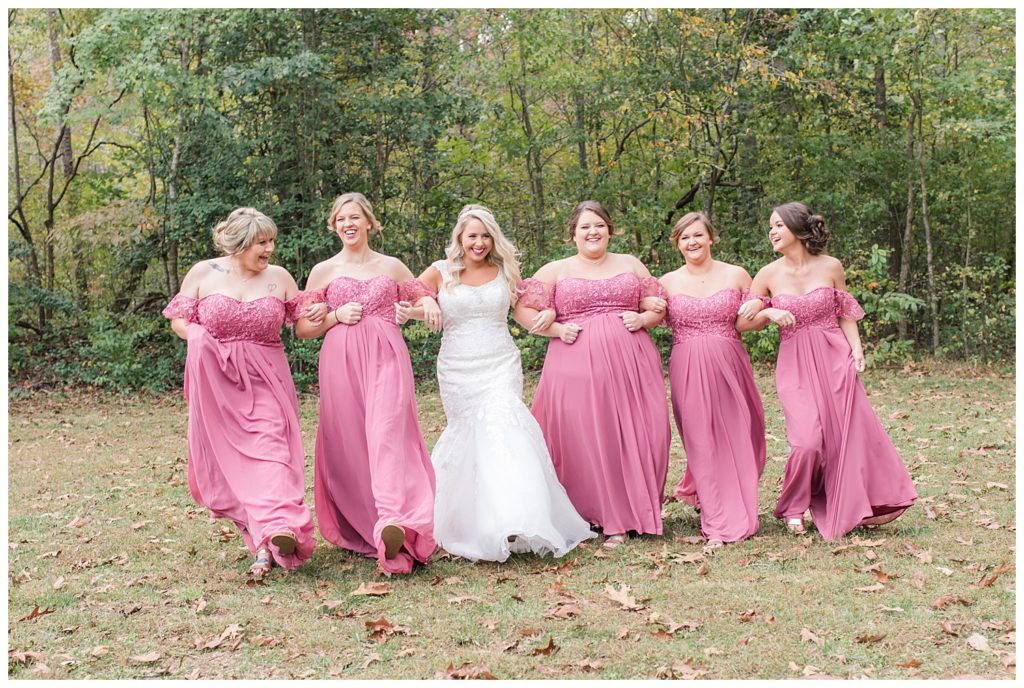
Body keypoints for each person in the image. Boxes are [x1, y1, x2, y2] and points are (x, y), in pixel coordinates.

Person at [401, 204, 595, 562]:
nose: (479, 242)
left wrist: (549, 318)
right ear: (460, 237)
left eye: (485, 235)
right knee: (469, 434)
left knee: (505, 426)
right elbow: (411, 293)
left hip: (500, 362)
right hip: (458, 366)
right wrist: (424, 303)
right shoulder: (441, 271)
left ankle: (517, 518)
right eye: (472, 235)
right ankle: (469, 523)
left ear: (494, 238)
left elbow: (523, 311)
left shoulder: (504, 270)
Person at [738, 202, 917, 539]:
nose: (772, 232)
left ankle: (845, 501)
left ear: (797, 228)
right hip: (795, 362)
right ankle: (793, 505)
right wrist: (769, 313)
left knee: (841, 436)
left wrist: (857, 349)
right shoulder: (767, 274)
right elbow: (742, 323)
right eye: (770, 227)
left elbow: (844, 311)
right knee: (806, 441)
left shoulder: (831, 266)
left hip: (834, 355)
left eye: (778, 225)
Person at [162, 207, 324, 576]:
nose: (269, 249)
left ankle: (280, 528)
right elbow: (179, 320)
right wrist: (199, 338)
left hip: (267, 378)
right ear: (239, 244)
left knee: (272, 453)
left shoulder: (279, 277)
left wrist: (318, 317)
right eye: (261, 243)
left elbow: (302, 322)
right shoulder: (203, 273)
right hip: (218, 381)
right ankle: (263, 545)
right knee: (236, 465)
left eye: (271, 241)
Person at [514, 200, 670, 548]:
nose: (593, 232)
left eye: (599, 225)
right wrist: (554, 329)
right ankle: (602, 515)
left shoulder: (630, 263)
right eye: (585, 227)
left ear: (610, 230)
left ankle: (637, 509)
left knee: (647, 433)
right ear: (573, 235)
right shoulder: (556, 270)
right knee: (588, 438)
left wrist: (644, 318)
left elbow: (656, 305)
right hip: (574, 365)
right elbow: (522, 310)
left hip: (633, 363)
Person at [295, 192, 436, 575]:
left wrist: (413, 311)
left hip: (387, 356)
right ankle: (365, 521)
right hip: (339, 361)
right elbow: (302, 329)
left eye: (355, 217)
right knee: (351, 440)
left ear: (370, 223)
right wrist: (335, 315)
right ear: (333, 226)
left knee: (388, 432)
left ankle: (395, 520)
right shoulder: (323, 271)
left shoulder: (392, 267)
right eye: (341, 219)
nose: (348, 224)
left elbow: (426, 305)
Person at [650, 212, 766, 548]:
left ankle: (737, 497)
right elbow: (649, 315)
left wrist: (761, 310)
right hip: (687, 364)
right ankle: (718, 522)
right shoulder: (666, 282)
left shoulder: (736, 274)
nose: (693, 242)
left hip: (731, 363)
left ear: (711, 238)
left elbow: (753, 318)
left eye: (698, 235)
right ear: (677, 244)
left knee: (741, 432)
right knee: (701, 439)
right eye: (685, 238)